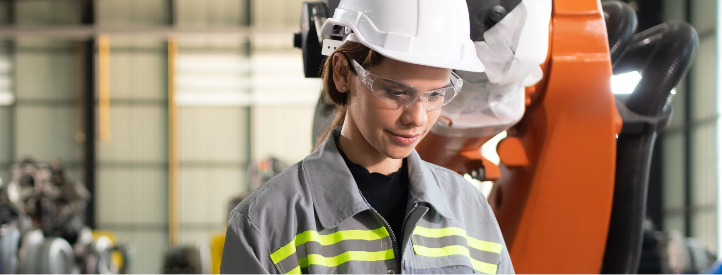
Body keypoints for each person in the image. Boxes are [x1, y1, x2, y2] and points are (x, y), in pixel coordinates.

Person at [220, 0, 514, 274]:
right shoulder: (265, 223)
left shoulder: (470, 210)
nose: (418, 118)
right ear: (342, 73)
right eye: (397, 92)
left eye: (436, 94)